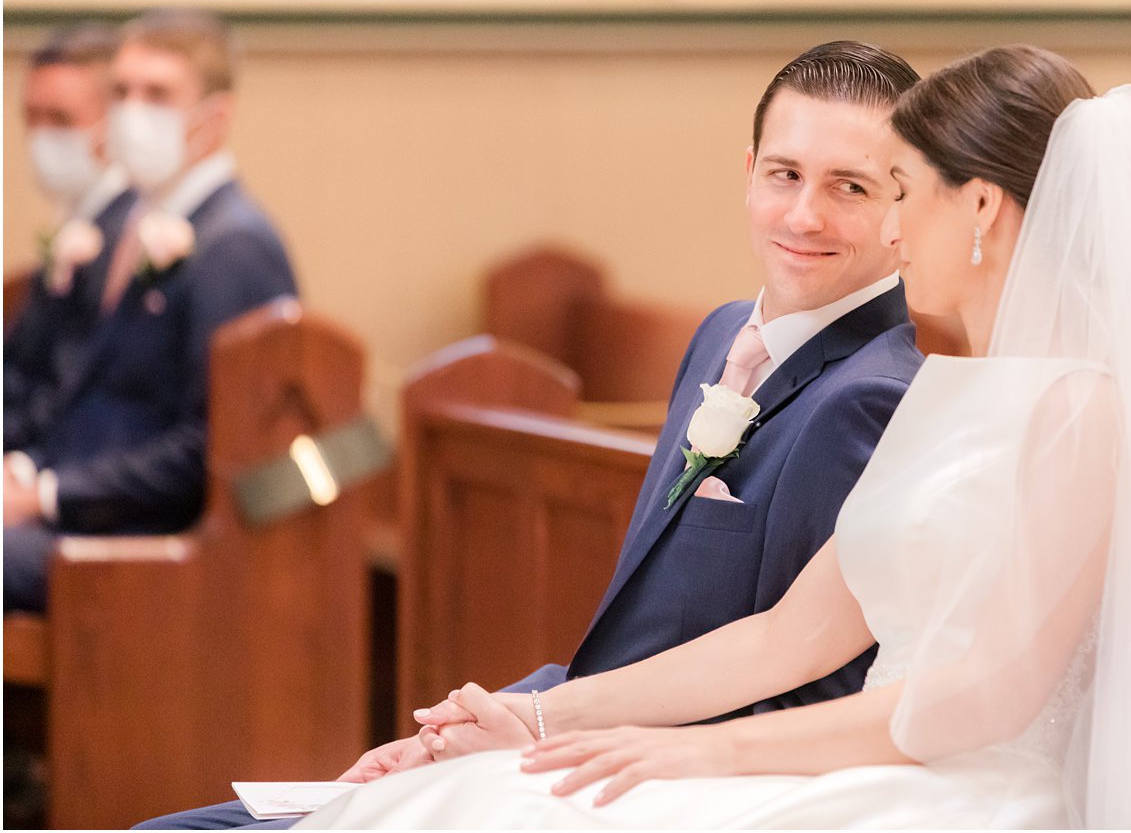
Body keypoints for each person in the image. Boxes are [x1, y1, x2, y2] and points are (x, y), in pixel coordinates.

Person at [298, 45, 1131, 829]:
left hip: (962, 789)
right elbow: (787, 637)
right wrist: (532, 718)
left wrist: (703, 753)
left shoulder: (1084, 410)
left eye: (903, 192)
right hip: (861, 763)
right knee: (487, 789)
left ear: (978, 207)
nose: (893, 234)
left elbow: (987, 697)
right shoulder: (954, 389)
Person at [137, 40, 925, 829]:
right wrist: (481, 721)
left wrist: (535, 733)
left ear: (905, 206)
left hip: (661, 786)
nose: (802, 214)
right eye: (784, 174)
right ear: (748, 168)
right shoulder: (723, 332)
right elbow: (639, 644)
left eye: (848, 187)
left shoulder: (869, 395)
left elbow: (799, 682)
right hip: (571, 731)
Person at [3, 8, 298, 614]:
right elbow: (82, 386)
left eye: (157, 93)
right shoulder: (141, 227)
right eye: (121, 91)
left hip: (142, 535)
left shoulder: (233, 245)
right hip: (81, 508)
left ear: (213, 117)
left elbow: (212, 445)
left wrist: (48, 494)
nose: (131, 111)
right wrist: (24, 468)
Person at [5, 23, 136, 453]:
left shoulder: (125, 238)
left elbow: (69, 391)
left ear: (115, 122)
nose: (42, 138)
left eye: (60, 120)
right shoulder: (74, 225)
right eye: (32, 119)